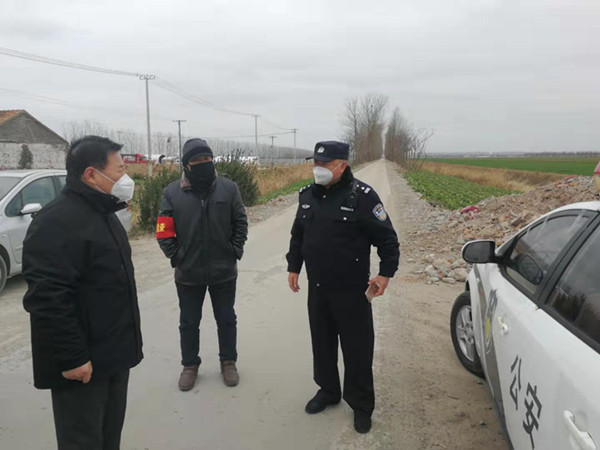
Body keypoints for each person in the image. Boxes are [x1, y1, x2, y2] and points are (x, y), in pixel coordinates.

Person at [22, 135, 143, 450]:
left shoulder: (105, 213)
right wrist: (73, 358)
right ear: (91, 174)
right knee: (83, 441)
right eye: (119, 170)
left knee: (108, 438)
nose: (125, 177)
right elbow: (48, 299)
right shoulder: (55, 222)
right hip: (82, 365)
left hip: (112, 355)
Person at [286, 141, 400, 434]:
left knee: (357, 349)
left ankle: (361, 405)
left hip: (351, 291)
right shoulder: (307, 195)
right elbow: (298, 235)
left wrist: (385, 274)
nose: (318, 169)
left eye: (324, 164)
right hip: (318, 288)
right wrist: (294, 266)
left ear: (341, 166)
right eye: (316, 163)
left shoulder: (362, 197)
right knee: (322, 344)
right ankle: (328, 390)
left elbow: (387, 239)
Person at [156, 138, 248, 391]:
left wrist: (234, 250)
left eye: (207, 159)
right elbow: (163, 231)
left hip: (223, 270)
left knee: (226, 318)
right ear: (186, 164)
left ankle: (228, 362)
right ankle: (189, 365)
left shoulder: (228, 189)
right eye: (197, 160)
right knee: (188, 322)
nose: (203, 163)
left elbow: (240, 222)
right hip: (188, 273)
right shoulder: (172, 193)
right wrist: (178, 257)